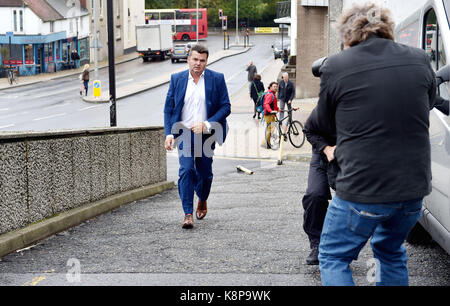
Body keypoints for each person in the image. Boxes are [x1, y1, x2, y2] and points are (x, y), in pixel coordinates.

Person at [311, 3, 439, 286]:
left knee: (333, 256)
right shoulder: (419, 59)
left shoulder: (337, 65)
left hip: (362, 188)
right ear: (387, 28)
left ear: (347, 33)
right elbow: (427, 103)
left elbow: (322, 122)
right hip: (412, 191)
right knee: (390, 252)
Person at [164, 44, 231, 229]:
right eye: (195, 59)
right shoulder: (177, 79)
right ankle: (187, 213)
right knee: (186, 170)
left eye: (202, 60)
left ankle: (202, 198)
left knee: (205, 174)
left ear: (206, 62)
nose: (198, 63)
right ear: (188, 59)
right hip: (184, 132)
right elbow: (169, 109)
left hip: (206, 134)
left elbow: (226, 106)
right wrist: (169, 133)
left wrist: (207, 124)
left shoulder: (216, 79)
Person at [263, 82, 279, 149]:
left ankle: (265, 142)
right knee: (270, 129)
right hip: (269, 114)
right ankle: (267, 144)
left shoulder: (272, 94)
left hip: (271, 114)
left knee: (272, 129)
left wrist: (279, 109)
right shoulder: (270, 95)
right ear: (270, 87)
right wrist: (270, 111)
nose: (275, 88)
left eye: (276, 86)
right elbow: (266, 104)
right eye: (274, 86)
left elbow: (274, 105)